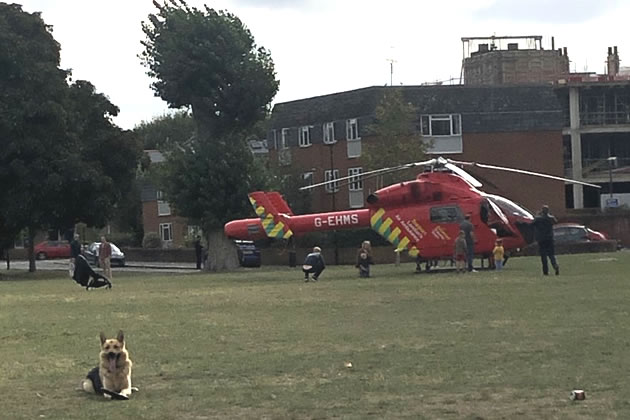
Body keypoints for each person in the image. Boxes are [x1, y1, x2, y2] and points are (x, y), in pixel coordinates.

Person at [532, 205, 559, 276]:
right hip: (550, 239)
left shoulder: (538, 219)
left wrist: (537, 214)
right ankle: (555, 266)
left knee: (543, 256)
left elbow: (532, 223)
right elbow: (555, 221)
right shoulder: (551, 218)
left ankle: (545, 271)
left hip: (541, 239)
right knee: (551, 254)